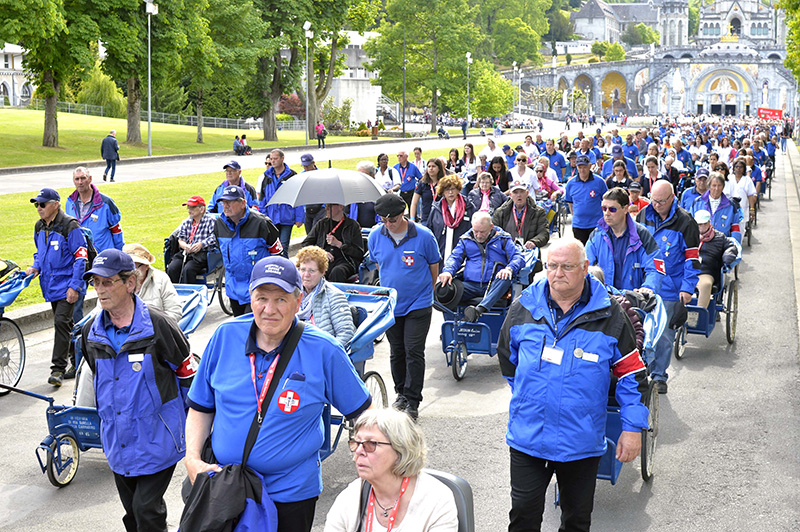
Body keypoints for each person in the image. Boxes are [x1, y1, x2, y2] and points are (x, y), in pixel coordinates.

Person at [185, 256, 371, 532]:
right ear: (250, 299)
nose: (269, 309)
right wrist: (192, 459)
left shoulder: (324, 349)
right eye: (262, 298)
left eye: (281, 299)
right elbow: (201, 406)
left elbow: (364, 414)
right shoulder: (225, 336)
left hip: (290, 494)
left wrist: (373, 462)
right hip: (226, 489)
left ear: (298, 301)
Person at [497, 238, 648, 532]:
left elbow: (631, 375)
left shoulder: (611, 315)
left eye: (567, 266)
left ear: (584, 267)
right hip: (529, 438)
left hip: (581, 442)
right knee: (523, 516)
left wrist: (632, 429)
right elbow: (508, 361)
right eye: (552, 266)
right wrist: (530, 398)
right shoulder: (522, 308)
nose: (558, 273)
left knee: (576, 521)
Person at [79, 249, 195, 532]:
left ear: (130, 283)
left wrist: (193, 429)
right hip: (117, 440)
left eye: (108, 282)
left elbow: (187, 377)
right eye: (96, 282)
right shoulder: (90, 332)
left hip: (158, 438)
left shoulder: (159, 326)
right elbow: (97, 377)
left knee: (146, 509)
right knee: (132, 513)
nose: (100, 290)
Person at [323, 409, 458, 532]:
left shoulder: (436, 500)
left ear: (401, 450)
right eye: (357, 443)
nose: (358, 451)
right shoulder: (351, 497)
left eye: (371, 444)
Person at [368, 194, 441, 421]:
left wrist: (427, 292)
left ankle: (413, 400)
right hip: (392, 303)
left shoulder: (424, 236)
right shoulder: (375, 236)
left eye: (392, 220)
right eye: (384, 220)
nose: (388, 224)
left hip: (418, 303)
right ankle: (400, 393)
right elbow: (380, 264)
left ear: (403, 215)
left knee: (413, 351)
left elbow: (434, 265)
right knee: (397, 350)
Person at [636, 180, 700, 394]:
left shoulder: (686, 222)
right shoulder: (643, 216)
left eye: (662, 202)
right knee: (639, 330)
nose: (656, 205)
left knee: (663, 334)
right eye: (654, 200)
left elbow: (692, 259)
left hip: (671, 287)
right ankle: (641, 369)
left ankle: (659, 375)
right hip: (645, 285)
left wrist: (687, 288)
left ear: (672, 198)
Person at [26, 188, 87, 386]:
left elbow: (81, 258)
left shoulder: (70, 225)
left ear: (56, 204)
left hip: (67, 284)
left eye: (43, 204)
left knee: (61, 322)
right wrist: (35, 266)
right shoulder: (39, 226)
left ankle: (57, 370)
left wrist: (75, 286)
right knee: (66, 325)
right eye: (37, 204)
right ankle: (78, 360)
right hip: (51, 285)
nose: (39, 208)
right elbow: (40, 252)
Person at [438, 212, 525, 322]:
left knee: (505, 278)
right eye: (476, 231)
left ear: (491, 227)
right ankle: (452, 326)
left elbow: (518, 257)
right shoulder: (466, 239)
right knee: (445, 292)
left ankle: (479, 310)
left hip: (494, 285)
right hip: (470, 285)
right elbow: (455, 258)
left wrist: (509, 269)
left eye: (482, 232)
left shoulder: (503, 239)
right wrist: (448, 271)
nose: (478, 235)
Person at [65, 166, 125, 322]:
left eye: (83, 178)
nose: (80, 182)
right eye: (77, 179)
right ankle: (78, 333)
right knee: (76, 299)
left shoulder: (106, 203)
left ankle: (111, 325)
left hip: (103, 259)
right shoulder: (69, 203)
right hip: (80, 259)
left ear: (90, 179)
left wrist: (119, 256)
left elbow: (117, 231)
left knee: (108, 296)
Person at [215, 185, 283, 316]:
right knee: (239, 324)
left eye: (230, 202)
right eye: (223, 202)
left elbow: (278, 254)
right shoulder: (219, 224)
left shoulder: (261, 223)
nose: (226, 206)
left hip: (258, 287)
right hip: (233, 288)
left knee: (253, 325)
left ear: (243, 203)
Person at [585, 188, 664, 293]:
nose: (607, 213)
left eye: (612, 209)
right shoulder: (596, 235)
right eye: (604, 208)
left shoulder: (642, 235)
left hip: (633, 299)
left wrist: (648, 287)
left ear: (626, 209)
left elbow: (655, 267)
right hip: (604, 298)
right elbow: (584, 266)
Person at [295, 246, 355, 346]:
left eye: (312, 271)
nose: (306, 275)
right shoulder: (292, 294)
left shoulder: (335, 296)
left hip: (320, 349)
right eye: (303, 269)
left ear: (322, 272)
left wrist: (325, 353)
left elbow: (346, 334)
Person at [302, 203, 364, 282]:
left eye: (330, 206)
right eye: (326, 206)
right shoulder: (322, 224)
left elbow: (359, 253)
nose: (326, 208)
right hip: (323, 261)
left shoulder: (352, 225)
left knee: (337, 271)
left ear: (340, 207)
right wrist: (321, 252)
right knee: (313, 270)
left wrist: (339, 244)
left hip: (345, 261)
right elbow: (306, 244)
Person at [260, 149, 305, 257]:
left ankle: (284, 266)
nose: (273, 161)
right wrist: (263, 216)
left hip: (287, 218)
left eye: (275, 158)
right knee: (273, 246)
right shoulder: (267, 177)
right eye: (271, 159)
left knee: (283, 246)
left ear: (282, 158)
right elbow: (262, 199)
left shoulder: (292, 176)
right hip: (271, 218)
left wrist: (299, 217)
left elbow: (298, 198)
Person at [123, 243, 182, 322]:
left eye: (135, 267)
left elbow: (174, 311)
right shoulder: (116, 282)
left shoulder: (161, 279)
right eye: (127, 267)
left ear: (147, 266)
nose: (131, 272)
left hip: (156, 327)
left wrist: (152, 325)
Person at [693, 210, 739, 308]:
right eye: (699, 224)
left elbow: (731, 247)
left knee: (705, 284)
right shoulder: (689, 235)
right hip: (688, 270)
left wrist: (727, 256)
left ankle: (700, 312)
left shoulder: (719, 237)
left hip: (707, 272)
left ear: (709, 223)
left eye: (704, 224)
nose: (701, 227)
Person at [167, 195, 217, 284]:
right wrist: (185, 246)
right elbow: (181, 239)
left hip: (201, 255)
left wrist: (201, 244)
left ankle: (189, 290)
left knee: (188, 269)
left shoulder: (211, 221)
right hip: (186, 252)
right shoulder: (186, 222)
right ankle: (174, 290)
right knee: (172, 268)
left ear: (202, 209)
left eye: (193, 207)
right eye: (188, 207)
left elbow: (214, 237)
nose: (189, 210)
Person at [426, 174, 475, 265]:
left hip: (463, 256)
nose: (450, 192)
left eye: (453, 189)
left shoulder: (468, 207)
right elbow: (430, 232)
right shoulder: (436, 209)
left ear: (458, 190)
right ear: (442, 192)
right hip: (441, 254)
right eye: (447, 190)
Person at [493, 179, 549, 250]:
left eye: (522, 192)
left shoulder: (538, 212)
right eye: (515, 192)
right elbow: (494, 233)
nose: (519, 195)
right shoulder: (500, 212)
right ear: (510, 195)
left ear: (527, 193)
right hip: (507, 253)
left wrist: (534, 242)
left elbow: (544, 233)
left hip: (530, 252)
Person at [565, 154, 608, 245]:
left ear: (589, 166)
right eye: (580, 167)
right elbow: (570, 202)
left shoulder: (599, 182)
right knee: (581, 250)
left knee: (597, 248)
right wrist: (574, 215)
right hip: (578, 225)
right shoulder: (571, 183)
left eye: (584, 167)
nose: (582, 170)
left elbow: (606, 201)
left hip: (596, 224)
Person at [691, 172, 743, 243]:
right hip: (702, 244)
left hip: (723, 244)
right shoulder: (697, 203)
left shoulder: (731, 205)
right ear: (709, 186)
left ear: (723, 186)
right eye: (714, 185)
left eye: (719, 185)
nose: (716, 189)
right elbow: (691, 225)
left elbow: (735, 229)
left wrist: (734, 245)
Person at [410, 158, 446, 224]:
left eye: (433, 166)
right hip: (426, 218)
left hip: (442, 218)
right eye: (429, 166)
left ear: (439, 168)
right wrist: (412, 219)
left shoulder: (444, 183)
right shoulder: (422, 183)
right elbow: (414, 203)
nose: (431, 168)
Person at [350, 160, 381, 229]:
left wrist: (379, 225)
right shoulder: (353, 193)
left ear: (372, 175)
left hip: (373, 232)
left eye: (364, 175)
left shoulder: (380, 193)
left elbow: (385, 217)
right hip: (355, 232)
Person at [299, 153, 325, 235]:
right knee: (309, 234)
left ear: (313, 163)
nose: (306, 168)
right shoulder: (300, 176)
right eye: (304, 166)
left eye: (307, 166)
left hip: (321, 208)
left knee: (316, 233)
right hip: (307, 209)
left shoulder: (322, 175)